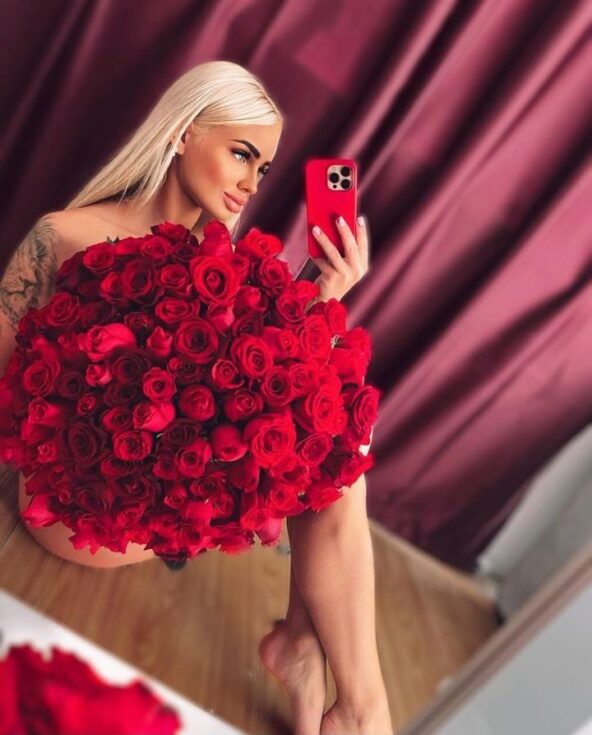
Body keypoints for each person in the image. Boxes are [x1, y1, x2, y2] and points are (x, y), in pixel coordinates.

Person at [0, 60, 392, 735]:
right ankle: (347, 695)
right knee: (332, 451)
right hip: (77, 511)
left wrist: (325, 292)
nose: (251, 183)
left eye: (263, 168)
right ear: (183, 133)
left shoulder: (220, 264)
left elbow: (272, 394)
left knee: (333, 435)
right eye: (240, 153)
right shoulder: (62, 235)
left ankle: (313, 655)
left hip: (175, 504)